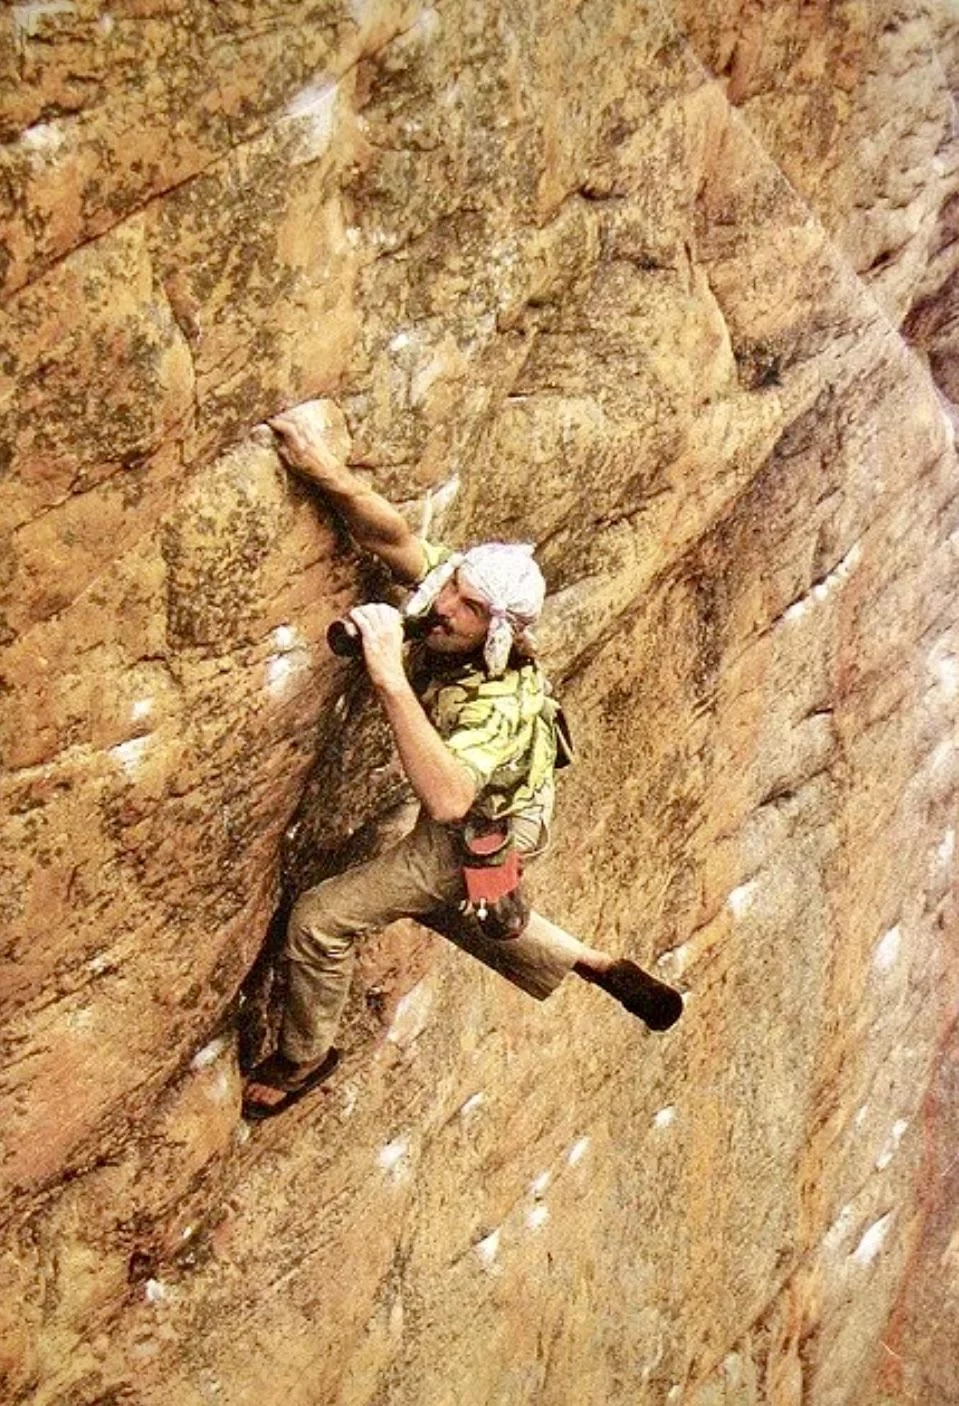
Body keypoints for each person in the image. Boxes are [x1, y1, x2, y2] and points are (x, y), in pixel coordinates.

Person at [241, 402, 683, 1119]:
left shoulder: (497, 703)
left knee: (323, 919)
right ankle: (590, 962)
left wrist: (387, 672)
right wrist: (325, 471)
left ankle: (303, 1058)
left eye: (465, 605)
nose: (441, 604)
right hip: (499, 812)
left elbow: (448, 800)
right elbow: (393, 537)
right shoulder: (452, 603)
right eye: (450, 586)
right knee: (445, 899)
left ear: (497, 630)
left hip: (482, 818)